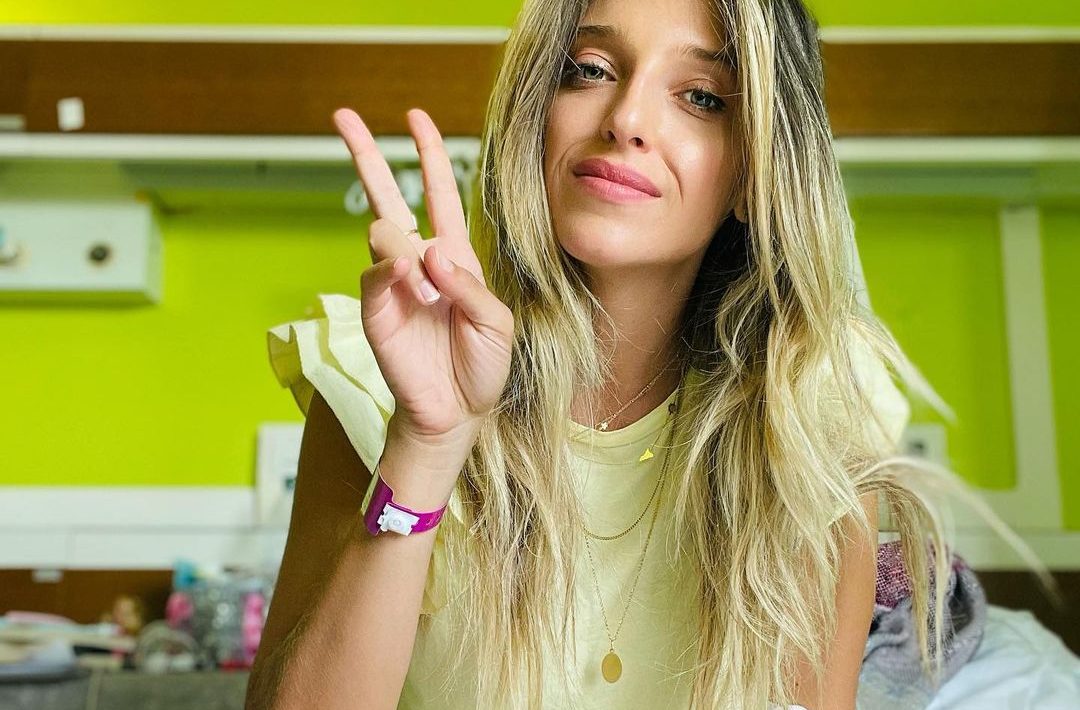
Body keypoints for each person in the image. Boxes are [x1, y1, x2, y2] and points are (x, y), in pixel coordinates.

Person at [245, 0, 1018, 707]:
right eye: (589, 70)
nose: (627, 119)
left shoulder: (815, 407)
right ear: (535, 114)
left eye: (702, 97)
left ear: (752, 174)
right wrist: (428, 443)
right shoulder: (374, 380)